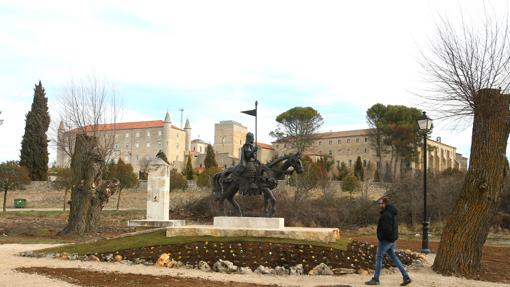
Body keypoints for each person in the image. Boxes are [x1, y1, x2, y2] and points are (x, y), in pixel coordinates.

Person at [365, 197, 412, 286]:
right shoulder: (391, 213)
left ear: (385, 204)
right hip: (392, 240)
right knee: (394, 257)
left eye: (381, 203)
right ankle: (406, 277)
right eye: (379, 203)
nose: (380, 205)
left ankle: (376, 279)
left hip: (386, 240)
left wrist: (381, 237)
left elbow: (387, 229)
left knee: (378, 257)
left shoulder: (386, 214)